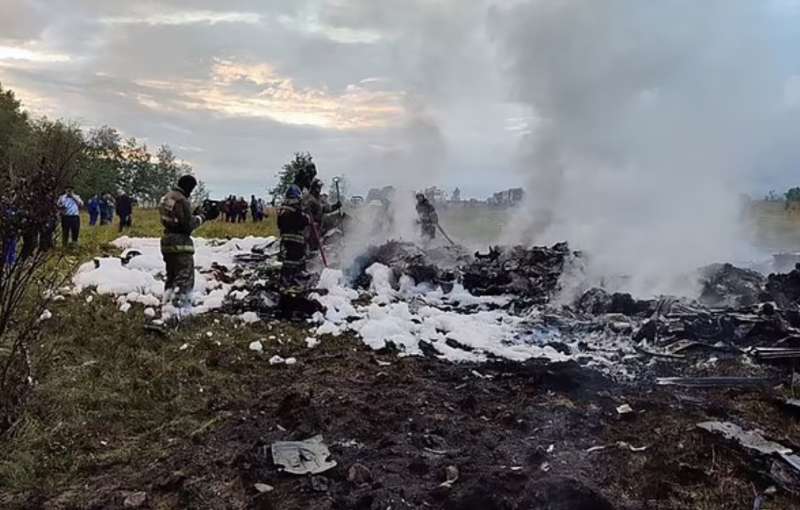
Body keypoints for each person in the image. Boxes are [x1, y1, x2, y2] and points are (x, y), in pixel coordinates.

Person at [158, 175, 213, 321]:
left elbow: (176, 218)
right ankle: (178, 312)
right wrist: (202, 217)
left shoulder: (167, 197)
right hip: (180, 243)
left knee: (171, 277)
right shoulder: (182, 200)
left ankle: (166, 306)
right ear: (189, 187)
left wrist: (191, 214)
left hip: (167, 241)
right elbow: (187, 226)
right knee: (184, 278)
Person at [278, 185, 309, 287]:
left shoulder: (282, 208)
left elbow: (279, 224)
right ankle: (293, 277)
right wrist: (307, 218)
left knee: (288, 258)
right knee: (295, 259)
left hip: (285, 237)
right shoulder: (296, 209)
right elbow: (301, 222)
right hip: (296, 238)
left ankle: (286, 277)